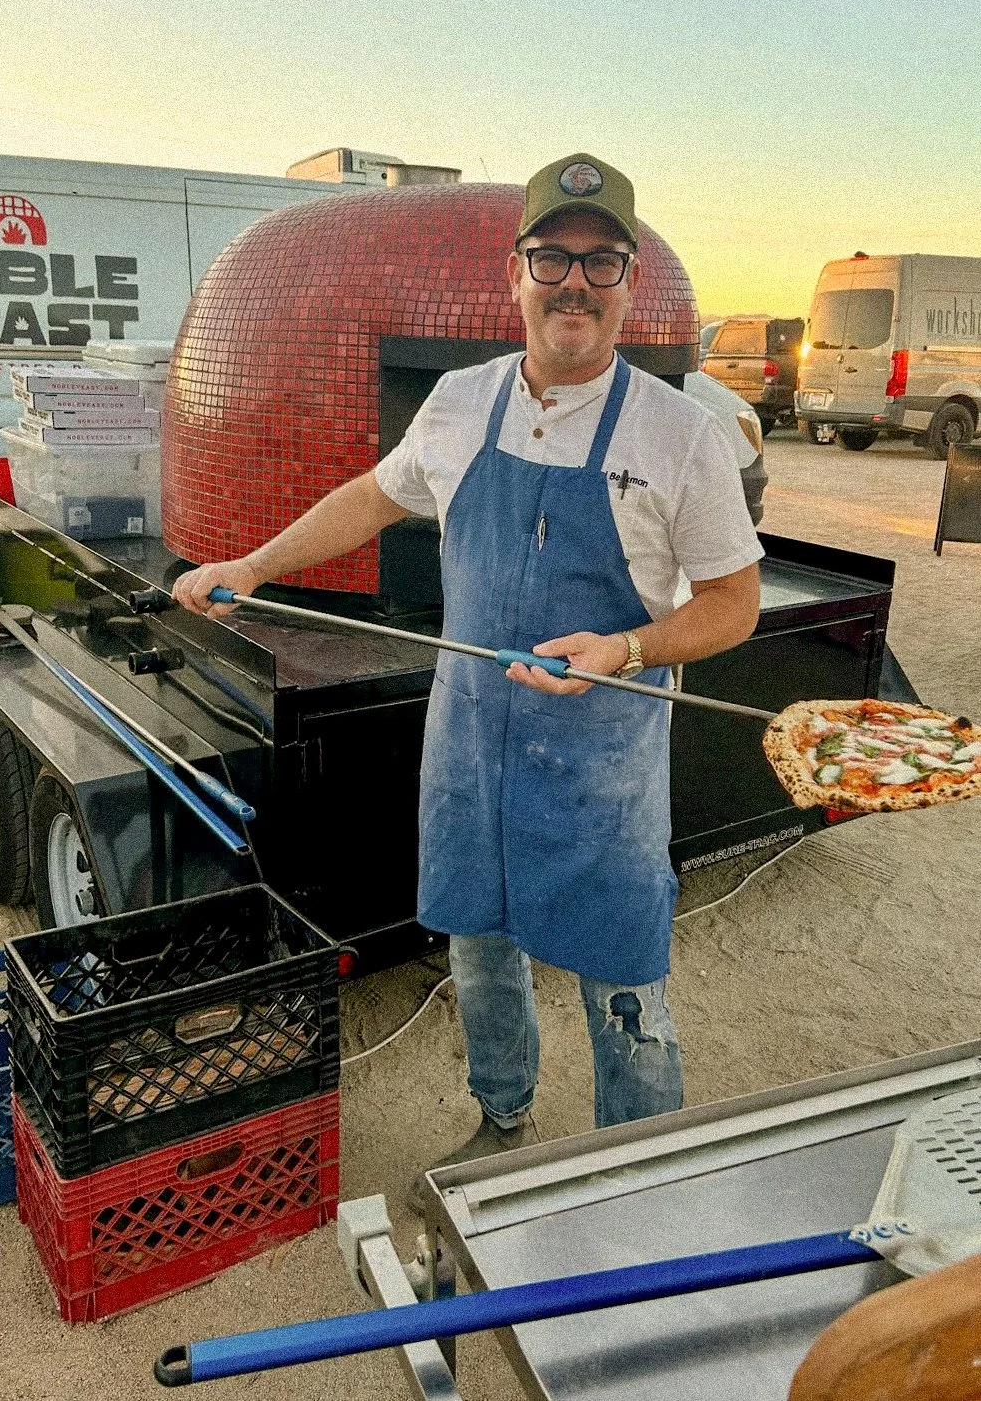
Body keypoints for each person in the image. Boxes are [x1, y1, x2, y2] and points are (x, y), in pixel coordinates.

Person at [172, 153, 763, 1208]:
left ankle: (635, 1179)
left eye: (600, 261)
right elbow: (372, 495)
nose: (573, 283)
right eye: (552, 258)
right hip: (468, 754)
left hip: (601, 776)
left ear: (629, 283)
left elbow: (734, 602)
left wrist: (625, 650)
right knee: (479, 953)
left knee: (624, 983)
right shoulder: (458, 403)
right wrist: (253, 566)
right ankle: (503, 1118)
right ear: (516, 273)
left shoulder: (682, 436)